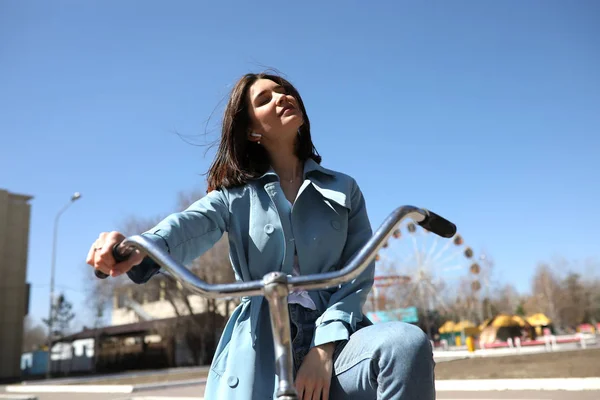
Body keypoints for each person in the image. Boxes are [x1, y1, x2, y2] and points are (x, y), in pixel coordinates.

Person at [87, 72, 435, 400]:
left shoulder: (344, 188)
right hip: (262, 339)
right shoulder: (233, 195)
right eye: (265, 98)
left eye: (284, 90)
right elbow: (187, 227)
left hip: (340, 337)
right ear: (253, 130)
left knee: (404, 344)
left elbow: (357, 274)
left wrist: (324, 346)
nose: (282, 97)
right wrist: (138, 246)